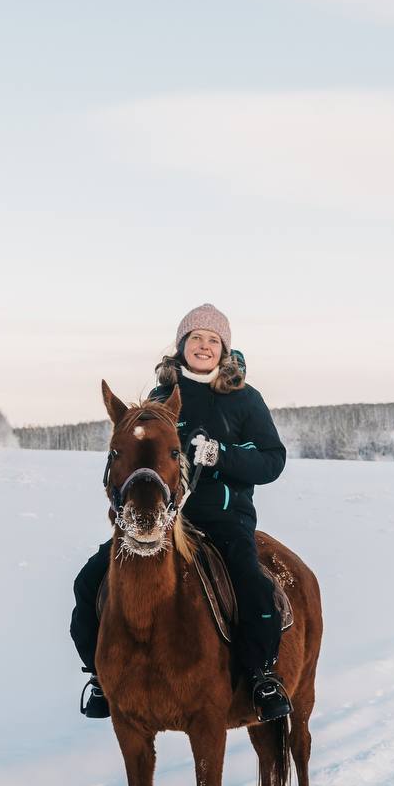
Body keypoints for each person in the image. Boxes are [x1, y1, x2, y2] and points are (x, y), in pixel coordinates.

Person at [70, 303, 292, 722]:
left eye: (213, 340)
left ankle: (262, 676)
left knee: (252, 586)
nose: (204, 346)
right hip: (165, 521)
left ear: (224, 349)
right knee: (89, 581)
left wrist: (219, 454)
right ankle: (100, 675)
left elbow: (272, 460)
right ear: (182, 345)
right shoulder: (160, 400)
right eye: (196, 338)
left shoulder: (245, 399)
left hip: (224, 520)